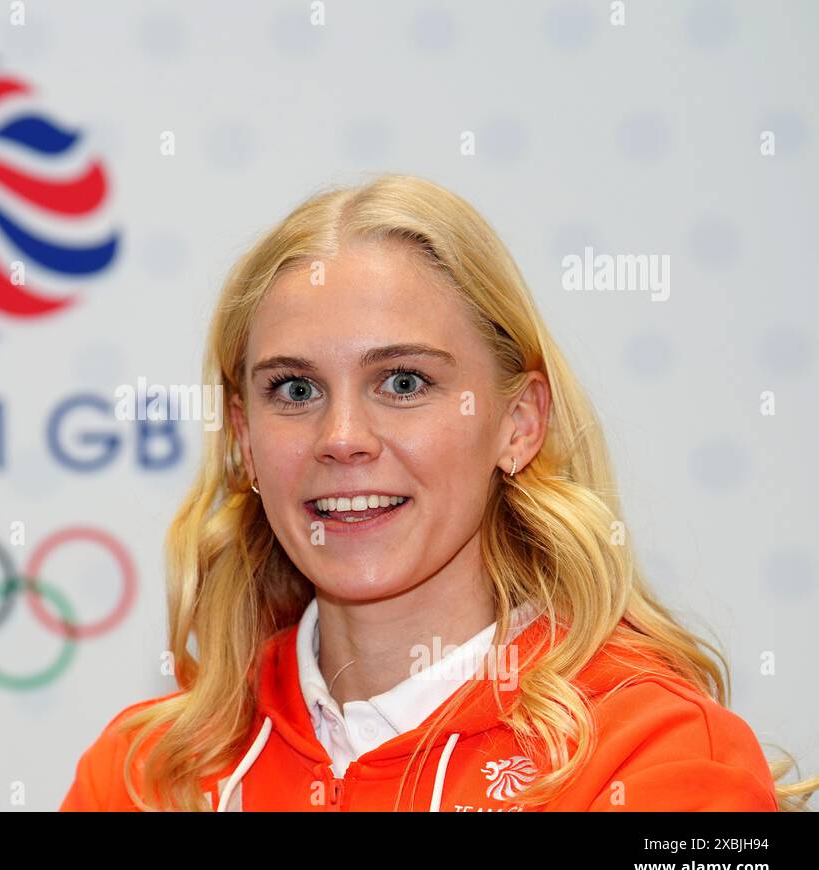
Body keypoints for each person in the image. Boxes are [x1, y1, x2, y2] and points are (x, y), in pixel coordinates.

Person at [60, 173, 817, 811]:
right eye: (295, 388)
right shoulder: (144, 776)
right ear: (244, 438)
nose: (342, 436)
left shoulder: (655, 756)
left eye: (404, 382)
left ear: (518, 423)